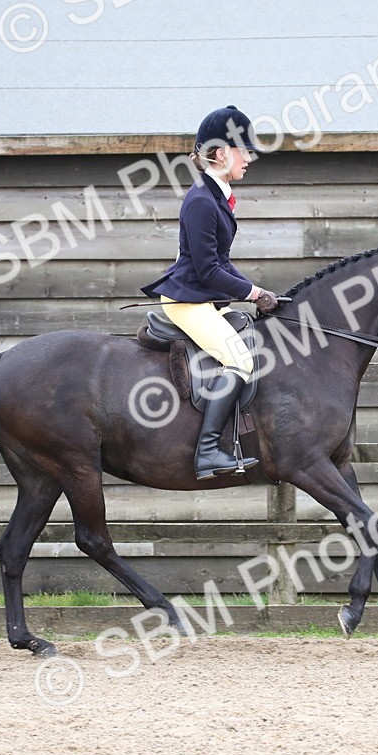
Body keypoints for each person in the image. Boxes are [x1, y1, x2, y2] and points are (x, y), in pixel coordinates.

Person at [140, 106, 279, 479]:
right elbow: (208, 270)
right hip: (188, 300)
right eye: (243, 150)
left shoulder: (218, 195)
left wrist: (259, 290)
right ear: (221, 154)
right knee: (240, 360)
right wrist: (251, 293)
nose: (249, 158)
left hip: (203, 297)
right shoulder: (202, 200)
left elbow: (222, 261)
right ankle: (207, 452)